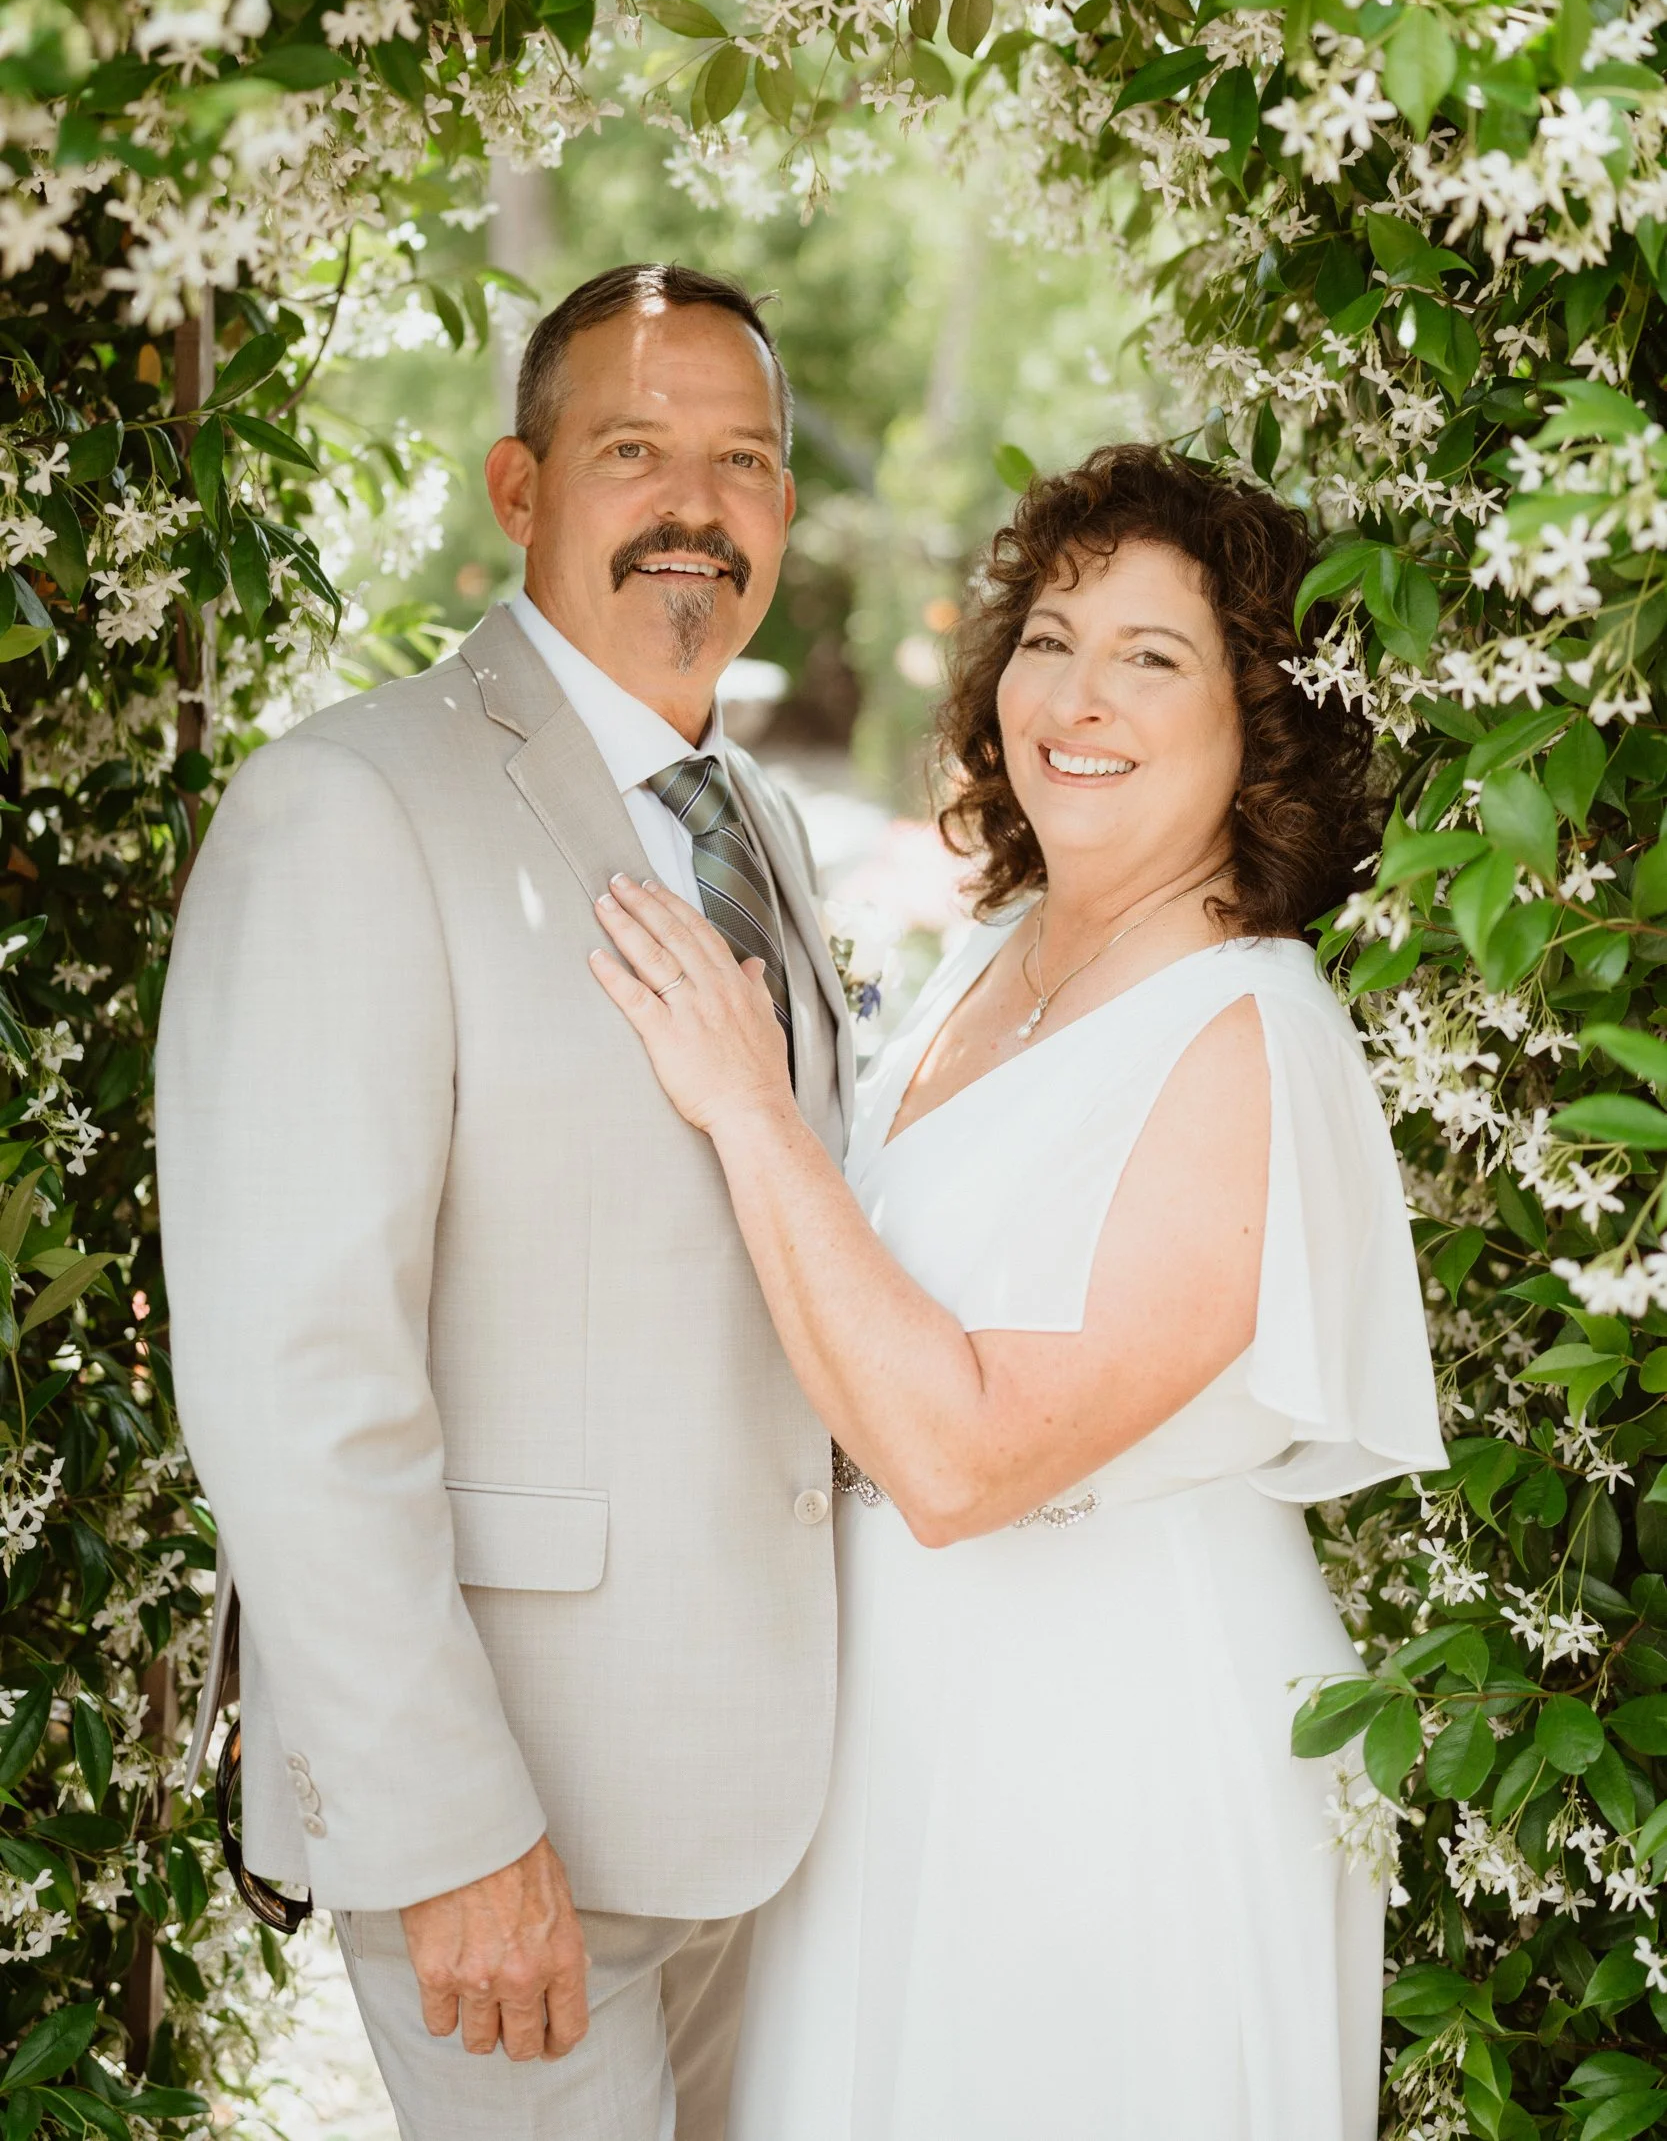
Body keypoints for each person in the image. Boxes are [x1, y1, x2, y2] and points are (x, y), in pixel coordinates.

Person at [590, 444, 1447, 2140]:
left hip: (1114, 1778)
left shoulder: (1249, 1038)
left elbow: (969, 1459)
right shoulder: (998, 949)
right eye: (1050, 637)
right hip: (905, 1758)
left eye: (1152, 655)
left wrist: (748, 1102)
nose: (1078, 695)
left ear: (1257, 714)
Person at [156, 263, 853, 2141]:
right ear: (518, 490)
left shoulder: (756, 823)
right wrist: (448, 1821)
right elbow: (296, 1373)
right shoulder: (350, 806)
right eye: (632, 449)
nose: (695, 505)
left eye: (744, 461)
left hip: (761, 1808)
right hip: (512, 1824)